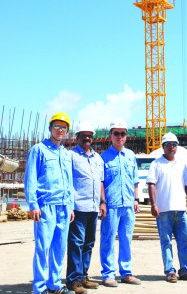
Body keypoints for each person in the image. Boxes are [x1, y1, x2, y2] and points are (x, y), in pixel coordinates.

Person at [24, 112, 75, 294]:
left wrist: (70, 206)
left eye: (64, 127)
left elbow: (69, 183)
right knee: (42, 248)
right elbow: (30, 178)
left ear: (67, 131)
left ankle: (54, 285)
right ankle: (39, 288)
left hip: (63, 207)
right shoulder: (38, 150)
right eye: (57, 126)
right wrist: (33, 205)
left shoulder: (66, 154)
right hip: (45, 207)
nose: (60, 130)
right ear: (50, 128)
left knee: (59, 248)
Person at [146, 132, 187, 283]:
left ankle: (184, 270)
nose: (171, 147)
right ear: (163, 147)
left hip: (180, 209)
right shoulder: (156, 164)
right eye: (168, 144)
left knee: (184, 240)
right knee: (166, 241)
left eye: (174, 145)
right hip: (163, 210)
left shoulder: (182, 165)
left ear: (177, 147)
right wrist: (154, 204)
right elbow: (151, 184)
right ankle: (170, 271)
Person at [100, 119, 141, 287]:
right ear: (110, 135)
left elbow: (135, 180)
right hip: (111, 205)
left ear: (126, 136)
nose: (119, 136)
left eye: (122, 133)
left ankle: (126, 272)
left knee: (126, 239)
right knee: (108, 239)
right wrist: (102, 202)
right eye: (116, 133)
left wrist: (136, 199)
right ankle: (108, 274)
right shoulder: (103, 157)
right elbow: (100, 182)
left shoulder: (131, 156)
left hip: (128, 205)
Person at [66, 122, 106, 294]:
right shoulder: (71, 156)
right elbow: (67, 182)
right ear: (77, 138)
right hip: (78, 207)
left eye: (90, 135)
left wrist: (102, 202)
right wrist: (69, 206)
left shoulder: (98, 158)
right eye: (83, 135)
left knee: (89, 243)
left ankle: (83, 276)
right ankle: (73, 280)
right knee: (76, 243)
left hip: (93, 207)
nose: (87, 138)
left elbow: (100, 182)